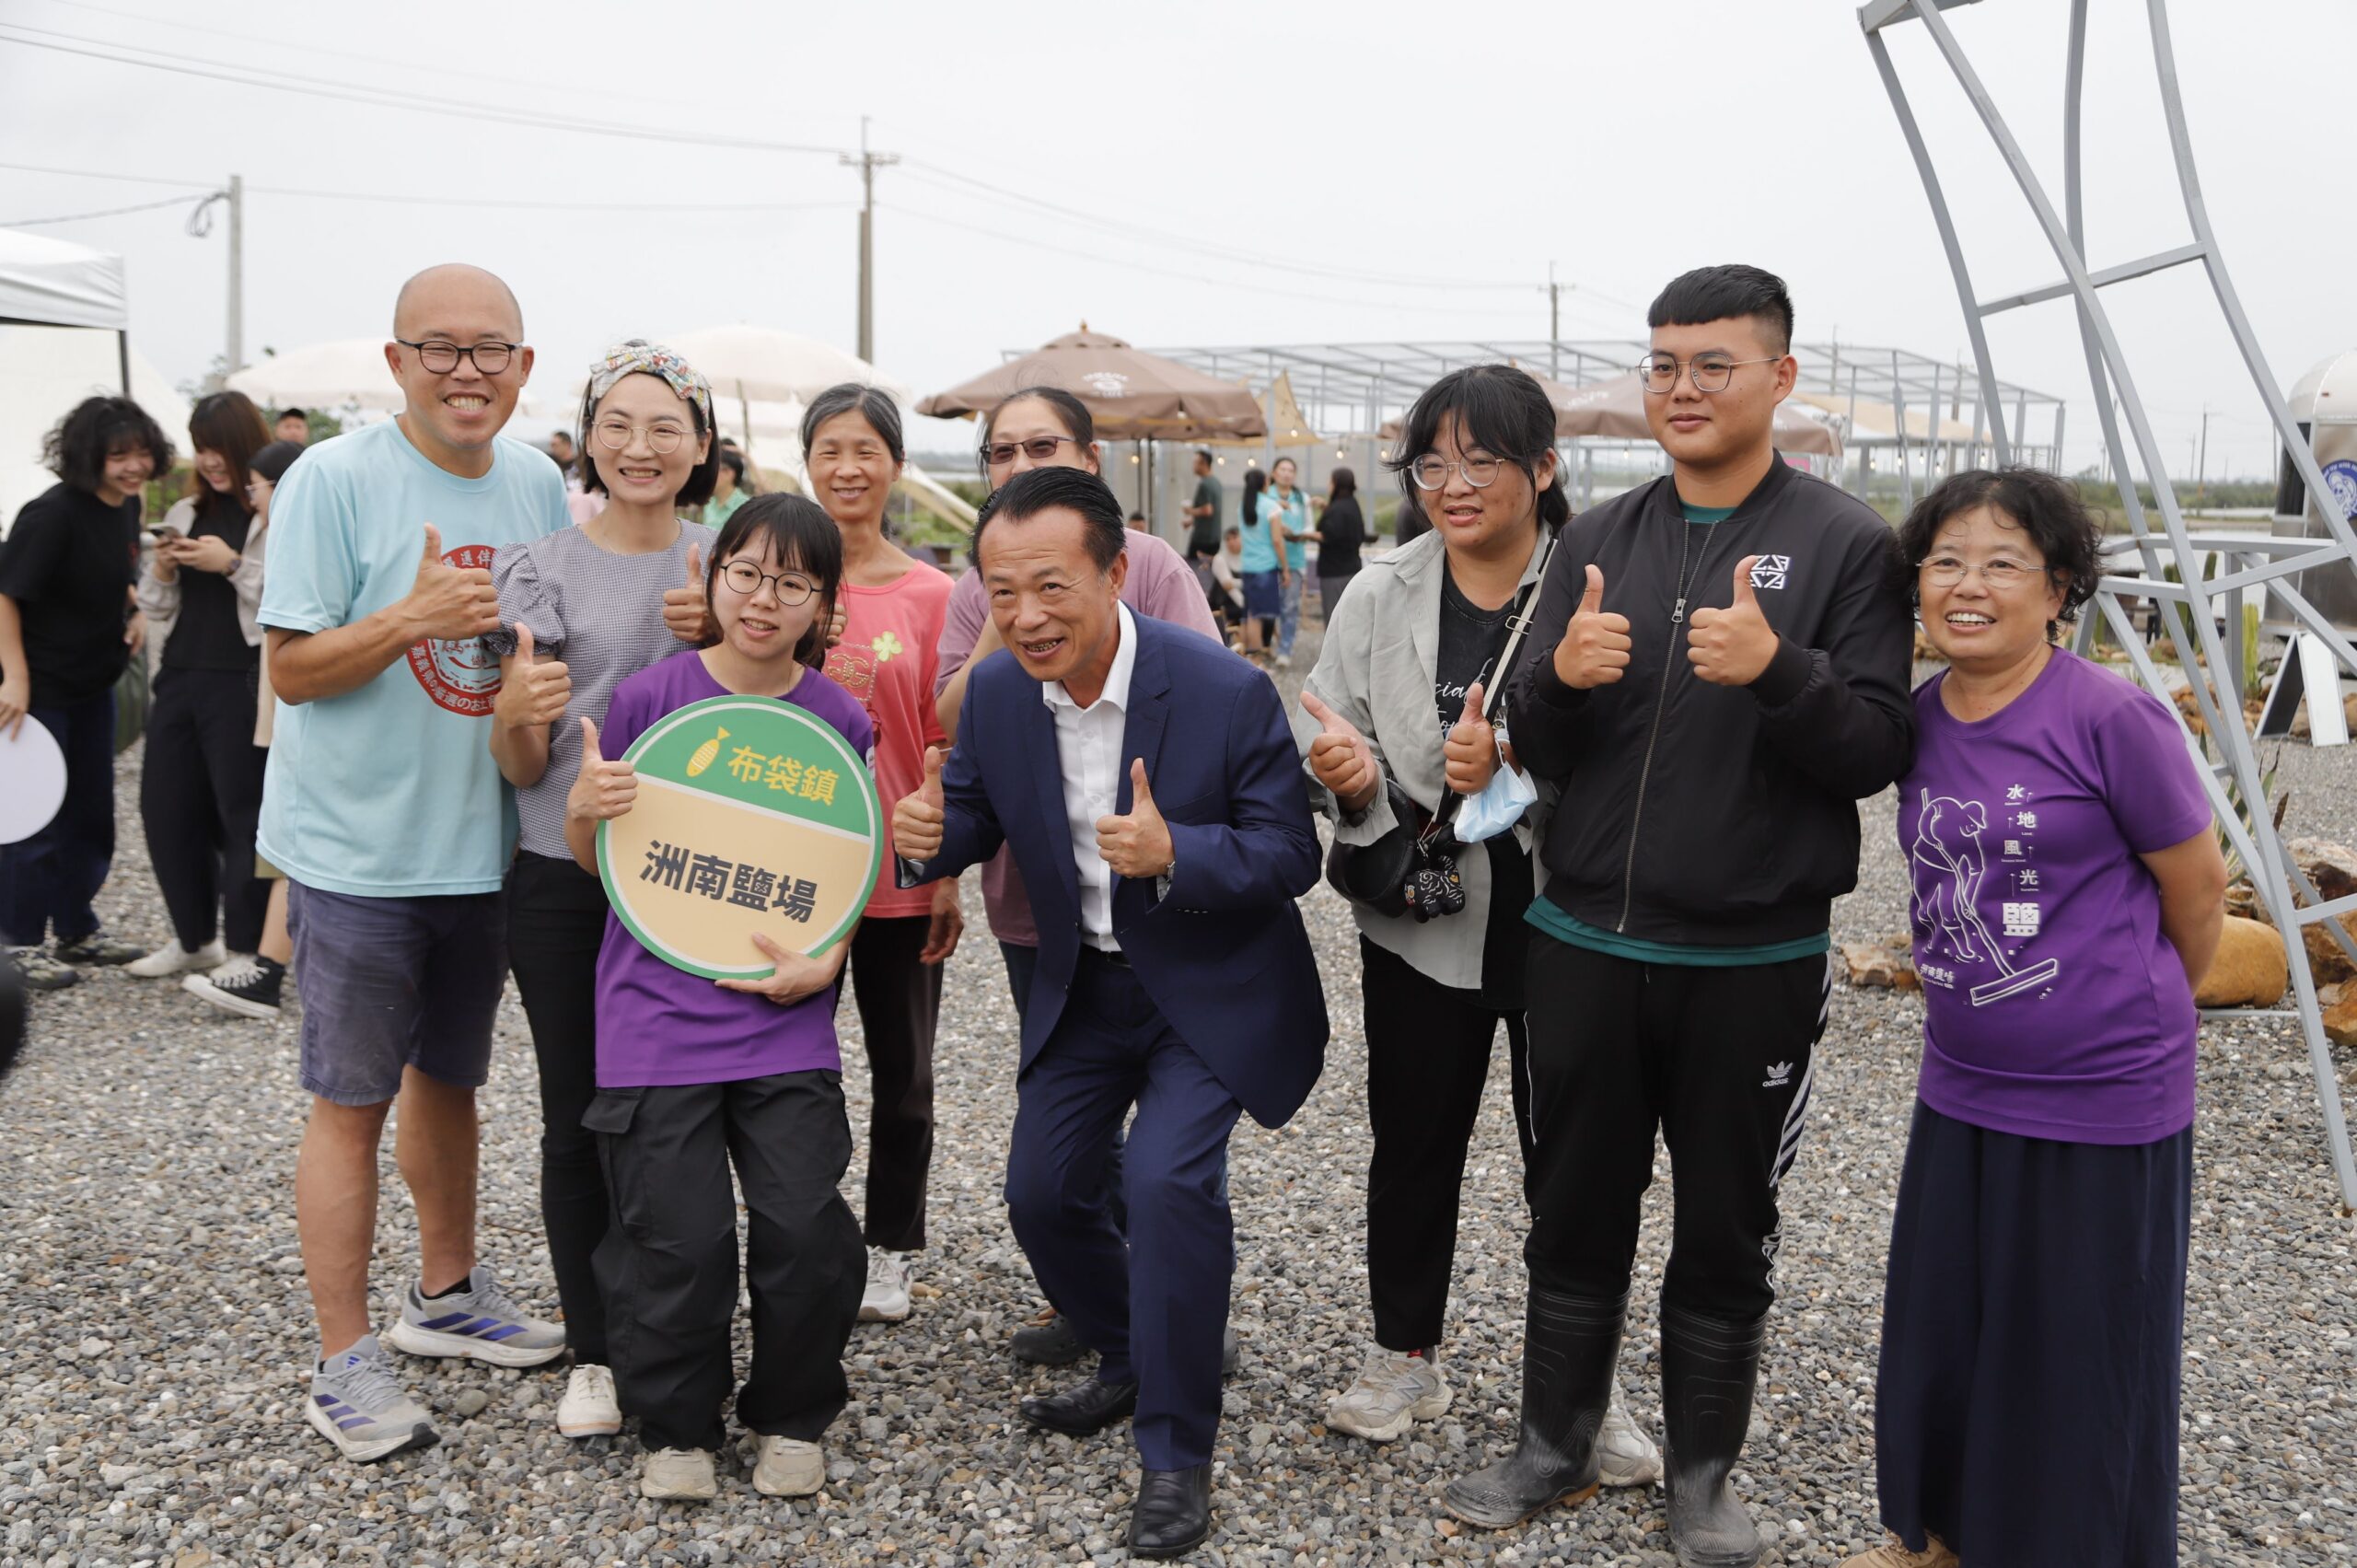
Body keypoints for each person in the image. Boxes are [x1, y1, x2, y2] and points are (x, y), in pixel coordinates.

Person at [1473, 264, 1914, 1559]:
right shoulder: (1600, 533)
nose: (1681, 386)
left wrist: (1781, 671)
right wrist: (1555, 679)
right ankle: (1553, 1439)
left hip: (1751, 952)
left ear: (1781, 377)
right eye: (1664, 362)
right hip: (1585, 942)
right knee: (1571, 1204)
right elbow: (1533, 747)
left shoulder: (1846, 544)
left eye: (1712, 363)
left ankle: (1704, 1477)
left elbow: (1877, 745)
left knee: (1728, 1216)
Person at [893, 466, 1325, 1558]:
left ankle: (1175, 1450)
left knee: (1167, 1179)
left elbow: (1290, 852)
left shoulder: (1219, 687)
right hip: (1080, 986)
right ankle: (1138, 1348)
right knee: (1041, 1194)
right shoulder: (995, 692)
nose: (1026, 615)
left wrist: (1181, 849)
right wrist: (929, 834)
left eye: (1051, 586)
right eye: (1002, 591)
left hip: (1205, 993)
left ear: (1115, 572)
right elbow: (977, 815)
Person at [1841, 470, 2223, 1568]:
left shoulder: (2109, 713)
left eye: (2002, 562)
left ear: (2057, 589)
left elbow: (2194, 896)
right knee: (1951, 1334)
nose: (1968, 584)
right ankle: (1942, 1536)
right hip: (1959, 1080)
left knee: (2076, 1350)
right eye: (1945, 560)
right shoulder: (1916, 720)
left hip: (2105, 1100)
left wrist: (2124, 1014)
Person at [1292, 366, 1659, 1489]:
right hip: (1425, 917)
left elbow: (1643, 760)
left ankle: (1583, 1381)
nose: (1454, 485)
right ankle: (1404, 1350)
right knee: (1413, 1142)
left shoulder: (1595, 587)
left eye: (1482, 461)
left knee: (1580, 1160)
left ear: (1542, 470)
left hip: (1573, 918)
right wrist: (1347, 780)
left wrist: (1516, 760)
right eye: (1432, 462)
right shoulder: (1381, 591)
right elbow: (1332, 737)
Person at [260, 263, 571, 1463]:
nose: (466, 371)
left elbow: (545, 646)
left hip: (483, 844)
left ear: (524, 367)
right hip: (356, 852)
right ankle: (343, 1361)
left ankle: (446, 1293)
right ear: (394, 363)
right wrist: (408, 619)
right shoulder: (335, 478)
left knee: (452, 1079)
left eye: (490, 349)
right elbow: (289, 671)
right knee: (351, 1100)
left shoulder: (539, 478)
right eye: (437, 348)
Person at [563, 495, 868, 1502]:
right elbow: (604, 860)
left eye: (792, 581)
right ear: (712, 574)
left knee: (801, 1227)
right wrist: (581, 812)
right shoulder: (651, 698)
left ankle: (791, 1412)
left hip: (783, 1017)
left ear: (822, 601)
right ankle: (677, 1425)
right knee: (676, 1237)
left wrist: (829, 958)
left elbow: (845, 867)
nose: (763, 597)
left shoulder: (837, 719)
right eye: (746, 571)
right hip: (653, 1019)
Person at [932, 386, 1223, 1368]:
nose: (1017, 464)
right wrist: (1006, 613)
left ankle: (1170, 1307)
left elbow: (1215, 715)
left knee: (1171, 1152)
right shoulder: (981, 588)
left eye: (1040, 445)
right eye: (999, 451)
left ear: (1089, 454)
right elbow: (955, 722)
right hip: (1038, 903)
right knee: (1071, 1133)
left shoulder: (1155, 565)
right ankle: (1107, 1306)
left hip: (1167, 901)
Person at [482, 339, 720, 1444]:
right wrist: (518, 710)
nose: (640, 445)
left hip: (695, 873)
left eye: (665, 424)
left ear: (702, 445)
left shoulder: (728, 564)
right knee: (579, 1115)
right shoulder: (535, 567)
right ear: (586, 438)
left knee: (682, 1115)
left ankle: (680, 1328)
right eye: (618, 424)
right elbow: (523, 767)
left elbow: (777, 711)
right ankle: (595, 1348)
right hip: (562, 872)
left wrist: (712, 635)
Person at [803, 381, 962, 1324]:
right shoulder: (779, 584)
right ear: (808, 461)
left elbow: (947, 746)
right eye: (830, 448)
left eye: (866, 448)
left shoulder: (934, 593)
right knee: (794, 1068)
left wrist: (946, 868)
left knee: (903, 1076)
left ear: (894, 465)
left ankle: (892, 1244)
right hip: (798, 869)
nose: (848, 467)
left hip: (900, 871)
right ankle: (806, 1232)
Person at [0, 395, 170, 991]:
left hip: (92, 685)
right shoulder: (51, 515)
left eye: (141, 453)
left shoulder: (124, 508)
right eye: (117, 455)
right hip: (39, 691)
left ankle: (76, 927)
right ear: (87, 456)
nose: (132, 467)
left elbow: (120, 575)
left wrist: (137, 611)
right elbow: (6, 594)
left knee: (91, 813)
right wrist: (15, 676)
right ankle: (18, 942)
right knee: (33, 814)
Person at [129, 391, 274, 982]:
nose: (210, 460)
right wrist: (163, 569)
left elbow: (295, 596)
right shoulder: (187, 511)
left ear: (244, 446)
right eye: (201, 448)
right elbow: (158, 608)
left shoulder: (274, 510)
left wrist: (233, 564)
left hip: (242, 680)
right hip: (182, 675)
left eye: (219, 447)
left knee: (242, 813)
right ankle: (194, 939)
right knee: (165, 809)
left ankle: (246, 949)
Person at [184, 437, 304, 1020]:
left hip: (299, 707)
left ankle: (267, 969)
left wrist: (230, 564)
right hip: (286, 704)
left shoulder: (299, 533)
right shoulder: (292, 529)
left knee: (291, 828)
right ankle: (269, 962)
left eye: (258, 487)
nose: (253, 499)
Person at [1268, 456, 1314, 668]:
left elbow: (1309, 527)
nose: (1286, 473)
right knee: (1268, 607)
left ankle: (1284, 649)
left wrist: (1293, 532)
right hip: (1268, 560)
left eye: (1290, 470)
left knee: (1290, 607)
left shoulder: (1302, 498)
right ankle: (1267, 646)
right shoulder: (1266, 496)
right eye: (1282, 469)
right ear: (1274, 473)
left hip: (1294, 561)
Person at [1235, 465, 1283, 662]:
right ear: (1264, 483)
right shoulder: (1271, 506)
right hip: (1265, 566)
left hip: (1246, 566)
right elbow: (1277, 540)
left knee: (1248, 614)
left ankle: (1244, 655)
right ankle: (1255, 660)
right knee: (1258, 615)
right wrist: (1286, 567)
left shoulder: (1244, 506)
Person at [1316, 465, 1366, 619]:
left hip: (1334, 572)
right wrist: (1326, 508)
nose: (1328, 485)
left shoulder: (1337, 509)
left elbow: (1329, 534)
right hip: (1352, 569)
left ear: (1336, 484)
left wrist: (1301, 535)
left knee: (1334, 618)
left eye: (1330, 482)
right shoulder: (1352, 504)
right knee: (1350, 618)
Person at [1183, 448, 1224, 564]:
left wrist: (1189, 511)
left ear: (1204, 464)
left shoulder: (1204, 484)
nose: (1193, 466)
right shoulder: (1216, 482)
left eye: (1195, 463)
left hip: (1202, 538)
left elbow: (1208, 510)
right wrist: (1192, 521)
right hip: (1215, 537)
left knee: (1193, 568)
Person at [1209, 526, 1247, 632]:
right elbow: (1228, 587)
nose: (1231, 542)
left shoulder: (1248, 558)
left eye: (1234, 538)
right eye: (1228, 539)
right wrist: (1246, 606)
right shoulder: (1220, 559)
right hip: (1224, 604)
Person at [703, 447, 751, 529]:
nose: (708, 475)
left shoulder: (746, 506)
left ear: (729, 473)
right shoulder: (709, 503)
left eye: (713, 469)